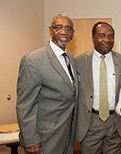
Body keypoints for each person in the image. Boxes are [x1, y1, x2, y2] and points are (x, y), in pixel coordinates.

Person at [16, 14, 77, 154]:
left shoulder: (71, 59)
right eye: (58, 27)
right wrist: (31, 141)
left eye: (68, 28)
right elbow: (25, 105)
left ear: (72, 34)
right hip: (44, 139)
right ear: (50, 31)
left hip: (67, 135)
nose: (64, 32)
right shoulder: (33, 60)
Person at [75, 21, 121, 154]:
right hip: (90, 122)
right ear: (93, 38)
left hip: (115, 122)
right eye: (102, 35)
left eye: (111, 36)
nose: (107, 39)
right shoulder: (79, 61)